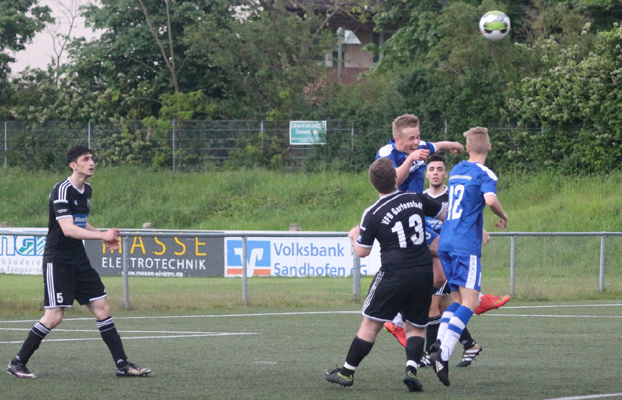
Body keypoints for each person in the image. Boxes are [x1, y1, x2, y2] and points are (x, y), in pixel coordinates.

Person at [7, 145, 151, 379]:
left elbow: (81, 223)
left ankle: (123, 365)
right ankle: (18, 362)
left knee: (102, 307)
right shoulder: (61, 190)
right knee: (54, 317)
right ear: (73, 165)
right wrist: (101, 236)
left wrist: (103, 235)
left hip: (78, 260)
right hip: (59, 260)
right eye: (86, 159)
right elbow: (68, 229)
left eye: (92, 158)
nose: (91, 162)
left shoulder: (87, 190)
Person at [323, 157, 447, 392]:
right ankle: (411, 367)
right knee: (416, 326)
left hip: (393, 274)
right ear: (396, 178)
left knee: (371, 324)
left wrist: (354, 235)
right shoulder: (416, 198)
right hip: (422, 272)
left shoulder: (373, 212)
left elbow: (362, 251)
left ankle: (346, 372)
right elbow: (445, 215)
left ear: (373, 184)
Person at [429, 127, 509, 387]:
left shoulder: (458, 170)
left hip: (446, 242)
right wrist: (503, 216)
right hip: (465, 245)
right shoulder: (484, 173)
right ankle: (444, 352)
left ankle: (438, 345)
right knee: (471, 302)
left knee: (457, 299)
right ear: (490, 148)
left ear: (469, 148)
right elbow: (489, 199)